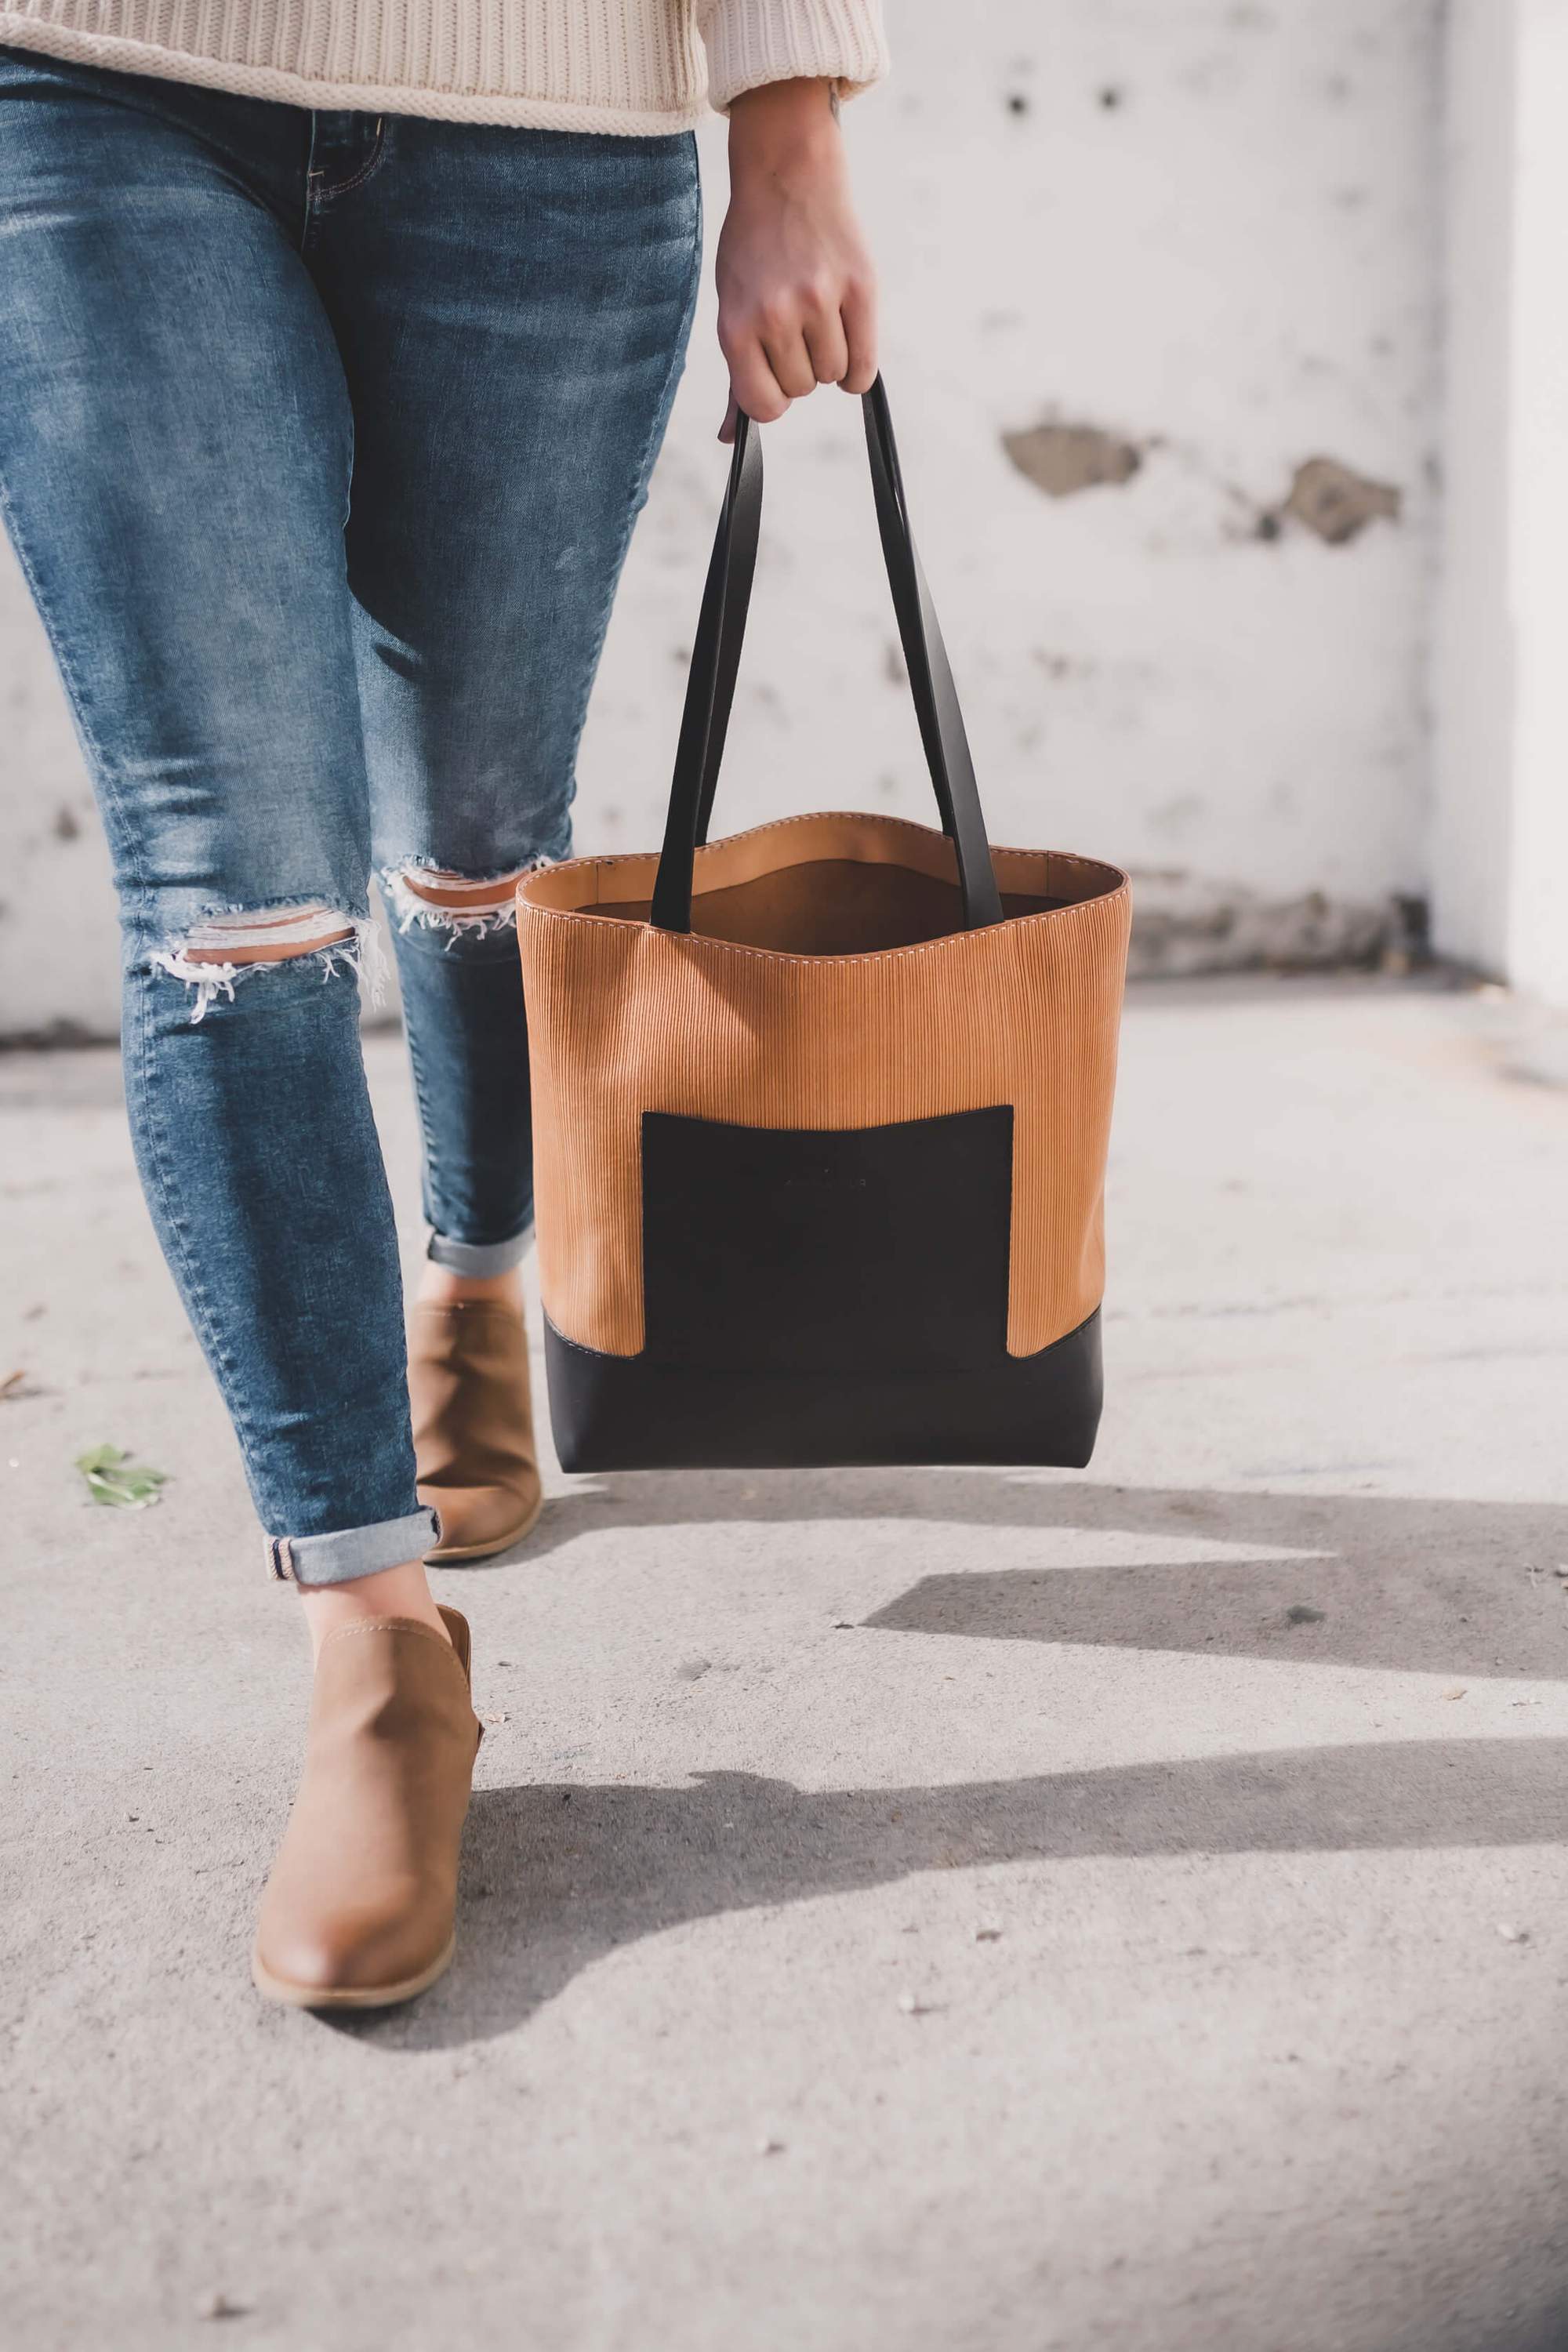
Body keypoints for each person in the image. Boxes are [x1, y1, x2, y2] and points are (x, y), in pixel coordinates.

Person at [0, 0, 886, 2009]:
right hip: (83, 82)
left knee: (481, 831)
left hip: (544, 123)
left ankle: (473, 1293)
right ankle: (376, 1650)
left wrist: (793, 126)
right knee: (236, 899)